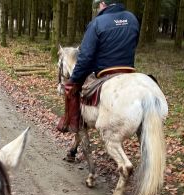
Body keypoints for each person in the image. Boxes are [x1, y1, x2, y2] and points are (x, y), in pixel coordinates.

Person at [57, 0, 140, 133]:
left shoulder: (97, 22)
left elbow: (85, 56)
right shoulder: (132, 18)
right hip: (129, 71)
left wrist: (74, 79)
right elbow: (134, 44)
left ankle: (73, 123)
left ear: (103, 3)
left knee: (71, 89)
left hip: (105, 72)